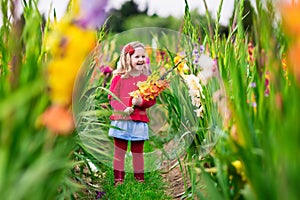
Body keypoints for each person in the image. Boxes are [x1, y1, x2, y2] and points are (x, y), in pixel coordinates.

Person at [108, 41, 156, 186]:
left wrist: (141, 102)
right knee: (119, 152)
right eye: (137, 56)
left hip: (138, 120)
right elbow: (112, 98)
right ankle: (118, 179)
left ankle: (139, 179)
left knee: (137, 152)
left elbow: (152, 99)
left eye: (143, 56)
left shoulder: (146, 80)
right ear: (128, 59)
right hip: (121, 120)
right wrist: (123, 109)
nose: (141, 59)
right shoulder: (119, 78)